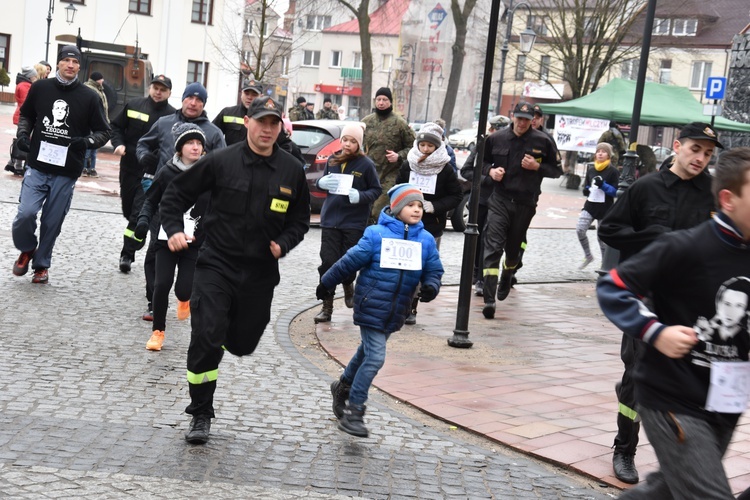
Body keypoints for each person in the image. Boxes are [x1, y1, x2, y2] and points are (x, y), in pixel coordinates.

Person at [596, 146, 750, 499]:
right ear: (728, 199)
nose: (701, 157)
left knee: (670, 487)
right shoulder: (686, 246)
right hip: (673, 396)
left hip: (727, 399)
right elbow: (613, 287)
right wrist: (656, 331)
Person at [158, 96, 310, 445]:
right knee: (206, 337)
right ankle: (200, 412)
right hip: (216, 263)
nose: (267, 129)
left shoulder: (291, 170)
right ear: (247, 123)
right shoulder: (220, 161)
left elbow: (300, 220)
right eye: (261, 122)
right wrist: (175, 230)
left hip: (259, 273)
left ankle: (223, 335)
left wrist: (284, 243)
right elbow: (174, 195)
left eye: (274, 123)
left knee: (242, 343)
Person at [318, 183, 444, 437]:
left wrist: (431, 286)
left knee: (366, 351)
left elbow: (434, 269)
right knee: (375, 357)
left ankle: (342, 387)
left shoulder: (426, 239)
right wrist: (326, 283)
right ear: (397, 208)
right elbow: (350, 261)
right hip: (372, 303)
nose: (417, 210)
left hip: (398, 308)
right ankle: (354, 412)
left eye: (419, 205)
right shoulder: (376, 234)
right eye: (410, 205)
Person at [11, 45, 111, 284]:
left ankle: (41, 265)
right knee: (25, 214)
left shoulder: (89, 97)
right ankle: (27, 248)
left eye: (75, 62)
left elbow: (103, 132)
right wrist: (24, 134)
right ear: (57, 64)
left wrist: (86, 142)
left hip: (66, 171)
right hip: (38, 165)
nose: (70, 65)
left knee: (51, 221)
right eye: (66, 60)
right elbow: (27, 115)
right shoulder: (41, 88)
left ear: (80, 66)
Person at [135, 82, 225, 321]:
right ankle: (154, 302)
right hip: (165, 199)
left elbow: (223, 165)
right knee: (156, 251)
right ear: (183, 99)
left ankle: (185, 295)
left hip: (196, 210)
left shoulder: (214, 133)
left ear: (204, 104)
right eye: (190, 98)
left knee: (191, 257)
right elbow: (144, 143)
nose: (193, 102)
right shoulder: (165, 122)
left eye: (199, 99)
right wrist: (145, 159)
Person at [481, 101, 562, 319]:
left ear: (532, 120)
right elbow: (481, 162)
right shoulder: (495, 138)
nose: (522, 123)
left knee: (513, 250)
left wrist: (538, 167)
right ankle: (489, 299)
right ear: (512, 117)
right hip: (500, 199)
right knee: (493, 246)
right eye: (519, 118)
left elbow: (557, 171)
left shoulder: (543, 141)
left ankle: (508, 272)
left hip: (526, 202)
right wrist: (490, 172)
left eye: (526, 119)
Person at [134, 123, 209, 352]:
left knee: (184, 289)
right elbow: (151, 199)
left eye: (199, 144)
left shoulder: (209, 173)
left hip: (194, 243)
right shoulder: (167, 172)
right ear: (180, 148)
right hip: (166, 239)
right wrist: (143, 221)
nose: (195, 148)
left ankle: (184, 299)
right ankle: (158, 332)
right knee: (162, 283)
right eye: (190, 143)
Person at [314, 123, 381, 323]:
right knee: (327, 262)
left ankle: (348, 282)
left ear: (359, 143)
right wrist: (320, 183)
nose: (348, 144)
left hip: (353, 221)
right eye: (345, 140)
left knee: (348, 262)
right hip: (330, 219)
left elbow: (376, 190)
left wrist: (360, 196)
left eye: (353, 141)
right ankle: (327, 306)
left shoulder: (366, 164)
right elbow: (323, 181)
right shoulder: (332, 159)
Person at [395, 122, 461, 324]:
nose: (425, 149)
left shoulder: (445, 168)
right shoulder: (409, 164)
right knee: (404, 264)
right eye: (422, 145)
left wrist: (435, 206)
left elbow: (456, 195)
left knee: (422, 265)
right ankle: (403, 304)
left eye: (430, 146)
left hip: (432, 224)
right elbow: (397, 188)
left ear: (437, 146)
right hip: (407, 222)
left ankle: (413, 305)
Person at [110, 74, 176, 274]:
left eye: (163, 89)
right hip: (129, 168)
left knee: (138, 213)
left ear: (169, 93)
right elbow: (116, 127)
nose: (158, 92)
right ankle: (135, 236)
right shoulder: (134, 105)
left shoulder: (172, 116)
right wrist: (119, 144)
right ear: (150, 88)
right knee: (128, 209)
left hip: (152, 173)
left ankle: (127, 253)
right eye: (156, 87)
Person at [461, 116, 505, 296]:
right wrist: (488, 178)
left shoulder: (508, 147)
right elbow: (466, 170)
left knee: (490, 241)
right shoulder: (482, 144)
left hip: (499, 203)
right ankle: (472, 274)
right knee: (475, 239)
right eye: (495, 129)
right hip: (480, 200)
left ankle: (482, 279)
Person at [362, 87, 416, 221]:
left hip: (389, 174)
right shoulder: (366, 122)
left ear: (390, 102)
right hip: (369, 172)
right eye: (378, 99)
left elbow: (413, 147)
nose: (381, 103)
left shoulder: (400, 123)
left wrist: (399, 156)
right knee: (365, 210)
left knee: (378, 211)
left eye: (384, 100)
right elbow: (356, 143)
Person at [576, 142, 619, 269]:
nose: (600, 153)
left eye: (603, 151)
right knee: (580, 229)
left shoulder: (613, 171)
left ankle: (604, 263)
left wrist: (603, 185)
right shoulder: (591, 169)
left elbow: (615, 192)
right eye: (598, 151)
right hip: (590, 205)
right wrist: (586, 189)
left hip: (605, 208)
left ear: (609, 155)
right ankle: (588, 255)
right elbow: (587, 185)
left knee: (602, 238)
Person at [5, 65, 37, 176]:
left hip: (20, 114)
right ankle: (17, 164)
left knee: (22, 138)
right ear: (30, 76)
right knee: (23, 139)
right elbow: (26, 103)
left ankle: (13, 162)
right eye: (34, 75)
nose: (36, 77)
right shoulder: (25, 86)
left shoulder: (24, 84)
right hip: (23, 116)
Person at [212, 77, 262, 145]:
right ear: (241, 94)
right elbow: (211, 135)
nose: (249, 97)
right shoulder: (227, 113)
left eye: (254, 95)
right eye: (246, 93)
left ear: (261, 96)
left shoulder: (267, 118)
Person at [82, 71, 109, 177]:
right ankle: (85, 168)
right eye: (101, 78)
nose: (103, 81)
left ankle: (91, 168)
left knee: (94, 147)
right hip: (90, 122)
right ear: (97, 80)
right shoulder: (90, 89)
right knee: (89, 146)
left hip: (97, 122)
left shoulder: (99, 89)